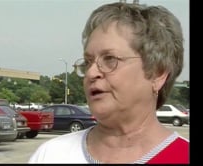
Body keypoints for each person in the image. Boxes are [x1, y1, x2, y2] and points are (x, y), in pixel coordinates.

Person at [28, 1, 189, 164]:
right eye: (88, 61)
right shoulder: (51, 155)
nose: (91, 73)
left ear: (157, 74)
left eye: (110, 59)